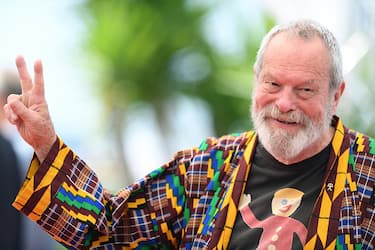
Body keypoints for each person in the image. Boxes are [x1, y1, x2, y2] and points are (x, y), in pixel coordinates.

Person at [3, 19, 375, 249]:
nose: (284, 103)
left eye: (305, 90)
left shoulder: (368, 175)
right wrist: (48, 146)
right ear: (255, 83)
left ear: (336, 95)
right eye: (273, 83)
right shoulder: (208, 168)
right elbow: (108, 230)